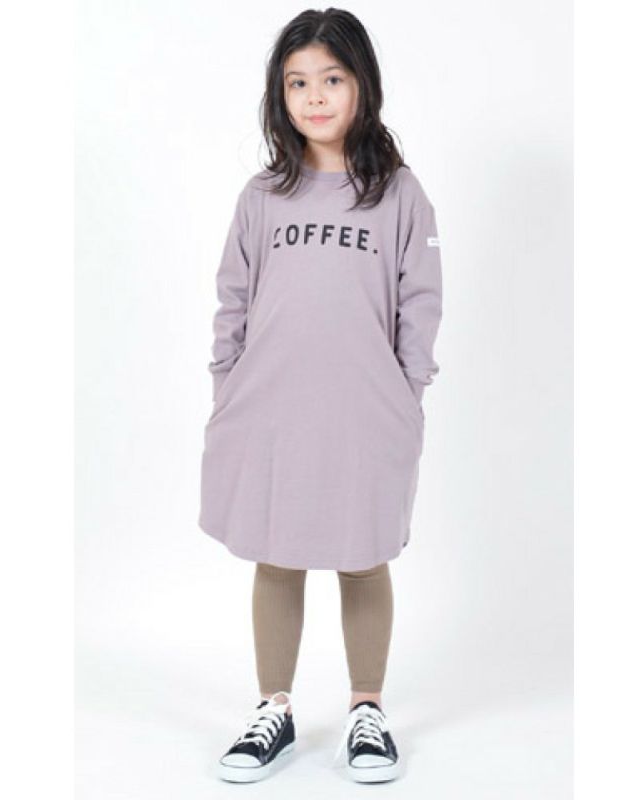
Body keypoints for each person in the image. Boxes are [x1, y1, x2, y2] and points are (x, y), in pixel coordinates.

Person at [199, 8, 443, 784]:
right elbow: (233, 297)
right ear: (281, 95)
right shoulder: (263, 196)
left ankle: (367, 710)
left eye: (331, 79)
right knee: (277, 551)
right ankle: (273, 708)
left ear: (362, 84)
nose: (314, 96)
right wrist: (227, 384)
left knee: (363, 554)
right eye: (297, 82)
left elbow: (421, 300)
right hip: (270, 407)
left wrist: (407, 391)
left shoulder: (398, 194)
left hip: (367, 411)